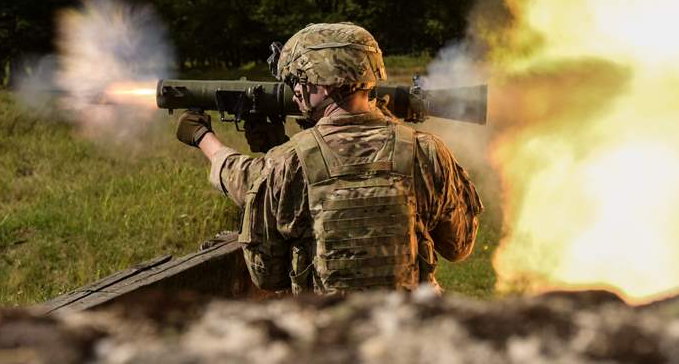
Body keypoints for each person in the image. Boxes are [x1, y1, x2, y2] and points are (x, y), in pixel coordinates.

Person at [175, 22, 482, 294]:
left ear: (320, 83)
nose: (294, 90)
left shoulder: (287, 162)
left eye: (298, 79)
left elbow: (266, 276)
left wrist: (206, 138)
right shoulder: (427, 152)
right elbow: (459, 246)